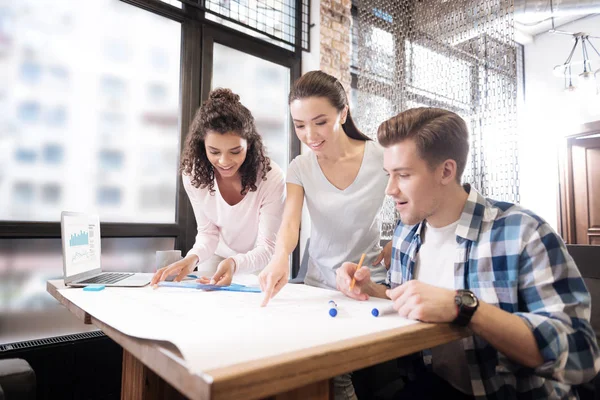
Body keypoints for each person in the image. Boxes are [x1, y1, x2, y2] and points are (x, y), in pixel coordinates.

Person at [336, 107, 600, 398]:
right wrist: (371, 289)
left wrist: (465, 308)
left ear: (446, 171)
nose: (389, 189)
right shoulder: (406, 233)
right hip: (430, 386)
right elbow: (414, 301)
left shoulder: (522, 232)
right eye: (389, 175)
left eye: (403, 175)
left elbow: (582, 357)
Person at [258, 70, 393, 400]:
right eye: (299, 125)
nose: (309, 134)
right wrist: (278, 261)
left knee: (338, 375)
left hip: (367, 283)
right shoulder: (300, 167)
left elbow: (412, 204)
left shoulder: (382, 157)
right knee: (323, 374)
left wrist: (397, 242)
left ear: (343, 112)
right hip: (319, 284)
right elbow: (291, 225)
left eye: (320, 122)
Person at [151, 88, 285, 287]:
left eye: (235, 151)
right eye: (214, 151)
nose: (224, 161)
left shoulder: (271, 177)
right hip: (216, 255)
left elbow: (267, 247)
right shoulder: (194, 175)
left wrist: (234, 263)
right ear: (201, 146)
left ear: (249, 145)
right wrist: (193, 258)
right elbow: (208, 232)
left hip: (261, 260)